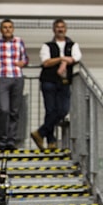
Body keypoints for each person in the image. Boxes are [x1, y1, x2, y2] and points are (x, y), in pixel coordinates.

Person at [32, 19, 82, 150]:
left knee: (63, 110)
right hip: (48, 81)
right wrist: (62, 59)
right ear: (54, 29)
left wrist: (64, 62)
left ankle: (40, 133)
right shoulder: (47, 45)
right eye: (57, 27)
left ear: (66, 29)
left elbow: (76, 58)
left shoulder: (73, 45)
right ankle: (51, 141)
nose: (60, 29)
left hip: (64, 82)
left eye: (62, 27)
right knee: (50, 110)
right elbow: (46, 62)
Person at [0, 20, 28, 151]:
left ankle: (11, 141)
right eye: (5, 27)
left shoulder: (19, 41)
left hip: (17, 77)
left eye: (10, 27)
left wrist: (23, 62)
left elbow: (25, 58)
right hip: (2, 77)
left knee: (15, 111)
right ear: (1, 29)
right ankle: (1, 141)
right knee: (4, 110)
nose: (7, 29)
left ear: (13, 29)